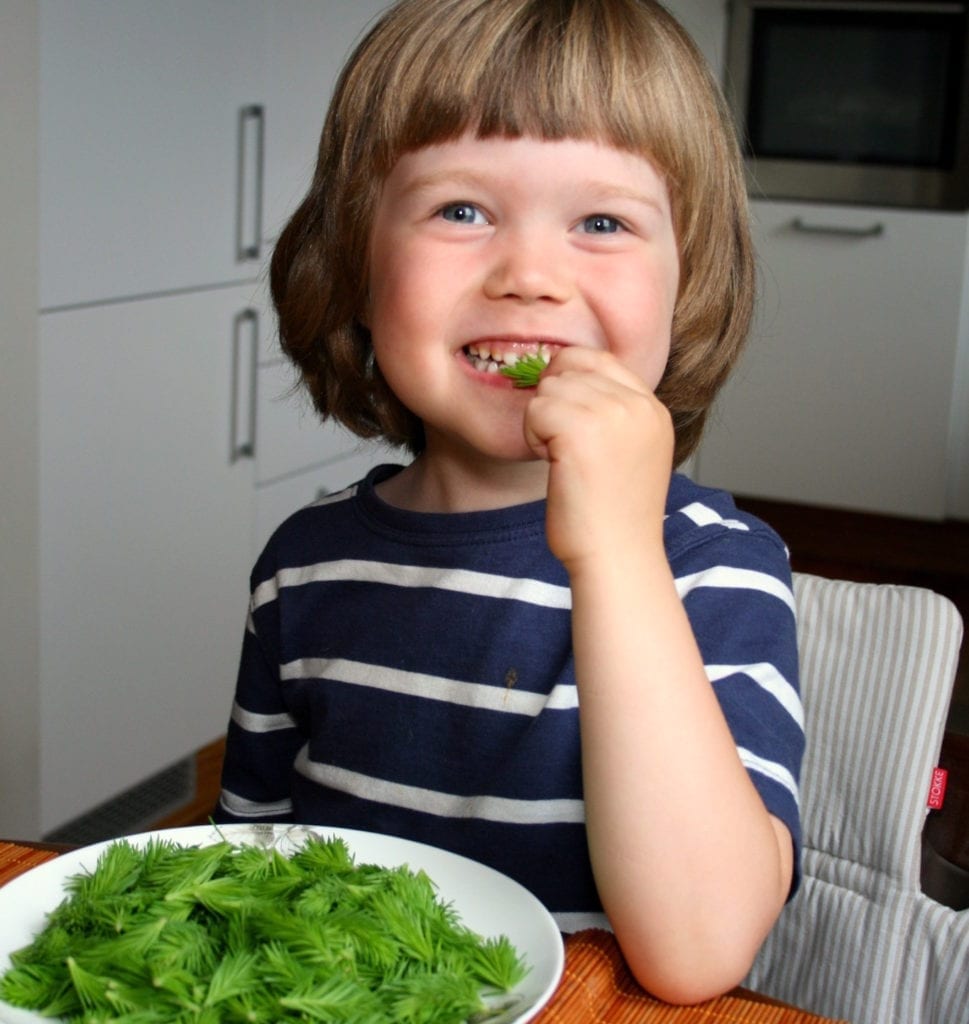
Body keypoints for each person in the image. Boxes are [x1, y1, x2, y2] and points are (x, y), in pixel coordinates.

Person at [215, 0, 804, 1004]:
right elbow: (247, 884)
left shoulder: (717, 569)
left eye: (603, 222)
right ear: (357, 261)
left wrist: (619, 551)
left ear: (686, 283)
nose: (530, 275)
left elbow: (701, 947)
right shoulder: (302, 567)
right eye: (461, 210)